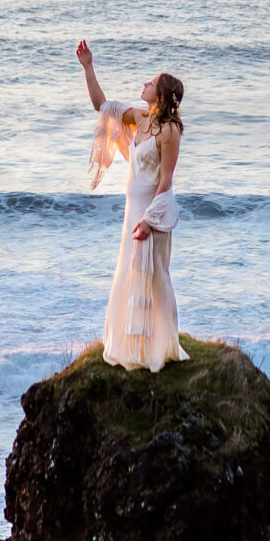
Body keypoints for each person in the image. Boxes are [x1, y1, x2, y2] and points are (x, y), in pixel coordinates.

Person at [78, 38, 185, 371]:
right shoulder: (140, 118)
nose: (144, 84)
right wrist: (88, 67)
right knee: (129, 272)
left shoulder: (170, 131)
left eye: (150, 83)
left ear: (163, 94)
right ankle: (131, 344)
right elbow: (102, 106)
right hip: (132, 211)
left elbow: (165, 180)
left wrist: (149, 221)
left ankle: (162, 348)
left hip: (152, 213)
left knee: (155, 278)